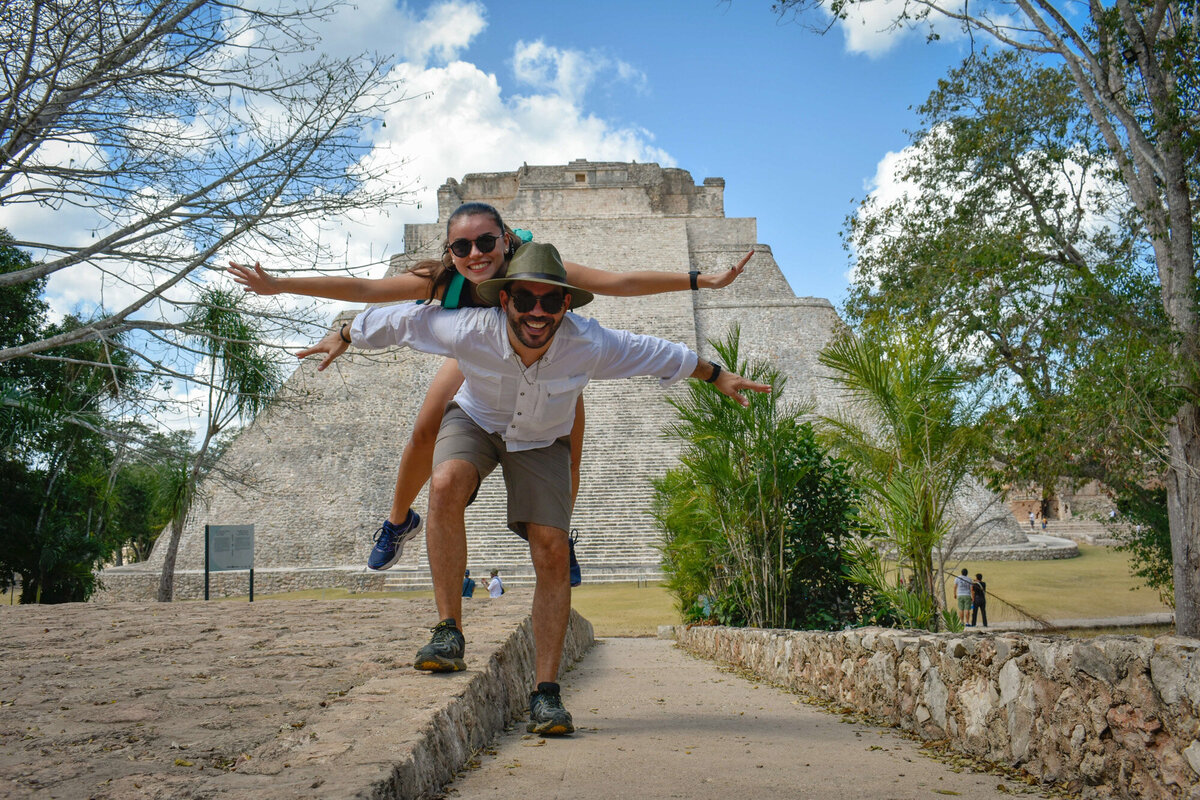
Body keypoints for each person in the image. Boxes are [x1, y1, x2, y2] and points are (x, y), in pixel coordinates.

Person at [305, 242, 771, 735]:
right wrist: (345, 333)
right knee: (444, 484)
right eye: (524, 299)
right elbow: (402, 321)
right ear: (504, 301)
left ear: (566, 305)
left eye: (551, 302)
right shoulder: (468, 328)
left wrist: (717, 374)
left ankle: (546, 693)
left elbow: (657, 351)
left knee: (551, 550)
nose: (537, 312)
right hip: (478, 420)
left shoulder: (588, 343)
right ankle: (448, 631)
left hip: (542, 438)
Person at [229, 202, 752, 572]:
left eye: (485, 242)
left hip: (547, 360)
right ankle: (397, 521)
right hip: (474, 352)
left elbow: (617, 283)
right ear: (450, 249)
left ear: (506, 240)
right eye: (462, 246)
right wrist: (285, 287)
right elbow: (367, 291)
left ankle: (560, 534)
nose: (475, 254)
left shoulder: (539, 271)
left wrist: (697, 280)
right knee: (424, 429)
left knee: (567, 443)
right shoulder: (444, 280)